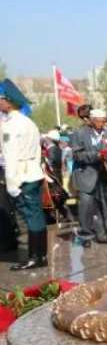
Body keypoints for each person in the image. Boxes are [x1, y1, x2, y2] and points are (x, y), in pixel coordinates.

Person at [0, 86, 47, 269]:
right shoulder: (29, 123)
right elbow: (36, 152)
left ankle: (35, 258)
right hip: (32, 172)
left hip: (21, 176)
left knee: (30, 217)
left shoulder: (11, 126)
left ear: (9, 102)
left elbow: (10, 156)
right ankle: (40, 256)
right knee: (36, 215)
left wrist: (12, 183)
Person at [70, 107, 107, 247]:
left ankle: (103, 234)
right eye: (98, 121)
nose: (101, 124)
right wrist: (97, 155)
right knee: (86, 206)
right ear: (91, 120)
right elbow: (77, 155)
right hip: (86, 175)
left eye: (103, 121)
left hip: (105, 176)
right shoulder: (79, 134)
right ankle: (86, 236)